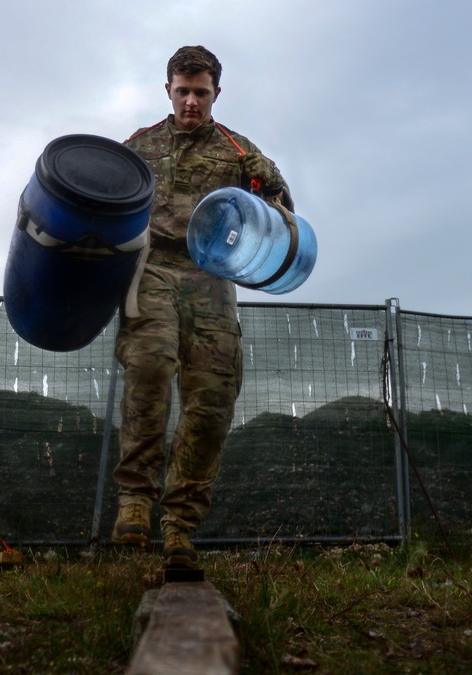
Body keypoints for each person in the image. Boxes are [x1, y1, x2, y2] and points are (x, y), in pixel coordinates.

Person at [111, 46, 295, 568]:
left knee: (212, 399)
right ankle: (134, 503)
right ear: (167, 89)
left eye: (202, 92)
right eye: (183, 90)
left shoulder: (241, 154)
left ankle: (179, 528)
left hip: (214, 277)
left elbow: (282, 221)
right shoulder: (135, 148)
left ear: (217, 92)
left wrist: (269, 187)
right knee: (148, 364)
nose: (192, 101)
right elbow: (104, 209)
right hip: (153, 270)